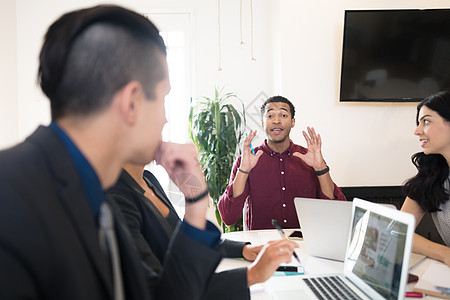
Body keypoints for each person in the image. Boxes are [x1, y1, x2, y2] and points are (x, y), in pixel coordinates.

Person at [0, 5, 299, 299]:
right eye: (164, 98)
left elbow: (156, 292)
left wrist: (196, 201)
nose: (165, 119)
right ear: (132, 102)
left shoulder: (90, 188)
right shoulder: (13, 198)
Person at [107, 159, 299, 300]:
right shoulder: (117, 197)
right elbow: (160, 290)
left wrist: (243, 249)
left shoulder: (149, 179)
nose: (164, 121)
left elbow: (185, 240)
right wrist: (253, 274)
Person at [218, 95, 346, 230]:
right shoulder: (247, 160)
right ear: (262, 123)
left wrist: (320, 168)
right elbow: (228, 217)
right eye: (270, 116)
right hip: (262, 246)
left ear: (293, 122)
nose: (276, 121)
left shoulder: (309, 158)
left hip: (304, 245)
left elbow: (337, 211)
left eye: (283, 115)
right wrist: (243, 170)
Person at [401, 91, 450, 267]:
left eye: (427, 121)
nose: (417, 131)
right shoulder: (432, 174)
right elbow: (400, 231)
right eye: (418, 123)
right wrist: (445, 254)